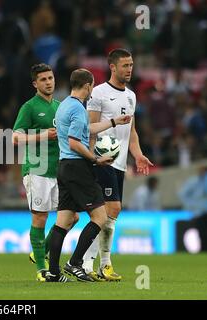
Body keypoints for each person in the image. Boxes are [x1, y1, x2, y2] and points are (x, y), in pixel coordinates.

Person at [46, 68, 131, 282]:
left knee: (64, 220)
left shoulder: (66, 105)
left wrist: (113, 122)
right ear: (88, 85)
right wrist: (95, 159)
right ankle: (74, 263)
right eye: (92, 85)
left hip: (64, 167)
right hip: (77, 168)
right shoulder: (76, 109)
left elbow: (87, 130)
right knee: (100, 217)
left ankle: (54, 273)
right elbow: (76, 142)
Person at [83, 48, 153, 281]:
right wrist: (91, 158)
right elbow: (89, 128)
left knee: (109, 215)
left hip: (121, 162)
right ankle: (89, 263)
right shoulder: (98, 94)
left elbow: (131, 131)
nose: (130, 69)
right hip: (102, 160)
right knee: (111, 210)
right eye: (125, 65)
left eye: (131, 64)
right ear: (112, 67)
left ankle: (101, 265)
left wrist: (138, 154)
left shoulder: (131, 96)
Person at [12, 63, 59, 282]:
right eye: (43, 79)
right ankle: (42, 269)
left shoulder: (61, 107)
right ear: (35, 84)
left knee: (71, 216)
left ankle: (37, 252)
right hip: (36, 169)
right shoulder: (29, 107)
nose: (48, 82)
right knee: (40, 217)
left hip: (58, 170)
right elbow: (16, 138)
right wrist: (42, 135)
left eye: (50, 78)